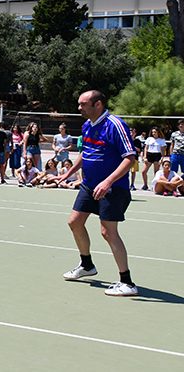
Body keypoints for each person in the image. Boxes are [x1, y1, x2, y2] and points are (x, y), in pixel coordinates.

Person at [56, 90, 138, 297]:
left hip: (113, 189)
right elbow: (86, 153)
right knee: (74, 222)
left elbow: (130, 158)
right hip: (89, 185)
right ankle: (87, 265)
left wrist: (108, 181)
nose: (79, 108)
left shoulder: (115, 125)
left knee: (108, 232)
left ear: (98, 104)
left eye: (83, 104)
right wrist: (68, 174)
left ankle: (127, 282)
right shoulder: (87, 125)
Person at [140, 127, 166, 191]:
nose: (153, 133)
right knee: (143, 171)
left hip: (157, 155)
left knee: (156, 172)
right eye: (152, 132)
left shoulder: (161, 140)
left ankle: (155, 186)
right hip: (149, 155)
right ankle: (145, 185)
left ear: (158, 132)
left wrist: (162, 158)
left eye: (155, 132)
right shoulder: (149, 139)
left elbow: (163, 150)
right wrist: (145, 157)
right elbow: (146, 148)